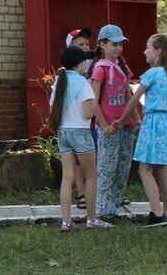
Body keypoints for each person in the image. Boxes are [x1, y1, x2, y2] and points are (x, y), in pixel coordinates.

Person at [118, 34, 167, 227]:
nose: (144, 51)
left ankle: (157, 213)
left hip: (153, 121)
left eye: (147, 47)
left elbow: (133, 100)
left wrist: (121, 120)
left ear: (158, 51)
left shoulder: (152, 74)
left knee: (144, 169)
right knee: (163, 170)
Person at [50, 46, 110, 231]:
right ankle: (92, 219)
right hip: (81, 132)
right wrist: (94, 104)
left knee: (67, 177)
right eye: (84, 60)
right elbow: (87, 113)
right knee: (91, 176)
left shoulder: (58, 81)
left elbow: (53, 109)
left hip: (63, 132)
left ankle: (66, 221)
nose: (87, 63)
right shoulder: (83, 83)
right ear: (78, 63)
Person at [89, 24, 136, 220]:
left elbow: (128, 95)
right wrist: (103, 124)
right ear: (102, 45)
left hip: (125, 124)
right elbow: (93, 100)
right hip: (108, 126)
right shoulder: (100, 69)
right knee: (107, 168)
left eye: (120, 45)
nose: (118, 48)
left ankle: (113, 206)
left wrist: (135, 118)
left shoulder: (121, 68)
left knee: (122, 168)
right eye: (114, 44)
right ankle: (102, 209)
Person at [66, 28, 92, 209]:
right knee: (78, 162)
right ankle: (82, 192)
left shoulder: (91, 65)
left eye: (87, 44)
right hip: (80, 121)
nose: (85, 48)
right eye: (80, 45)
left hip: (82, 124)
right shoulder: (68, 75)